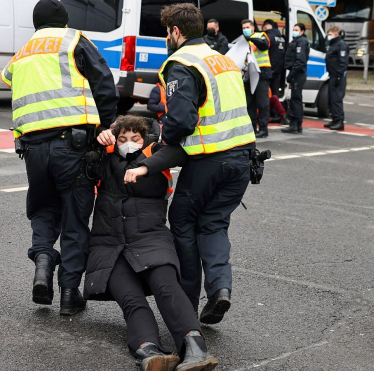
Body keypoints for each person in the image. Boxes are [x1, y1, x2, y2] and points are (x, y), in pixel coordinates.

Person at [124, 3, 255, 325]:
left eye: (167, 32)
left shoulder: (181, 62)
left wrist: (165, 140)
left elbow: (182, 118)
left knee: (182, 221)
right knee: (213, 224)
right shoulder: (222, 59)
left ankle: (185, 303)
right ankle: (220, 289)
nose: (167, 38)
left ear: (176, 32)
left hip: (210, 159)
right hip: (243, 158)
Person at [0, 0, 118, 316]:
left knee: (43, 209)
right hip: (73, 146)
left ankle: (42, 262)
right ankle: (69, 294)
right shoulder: (75, 40)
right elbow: (104, 83)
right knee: (75, 218)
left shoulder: (23, 52)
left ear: (37, 23)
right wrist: (105, 126)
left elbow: (9, 79)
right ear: (64, 21)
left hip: (33, 148)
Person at [84, 116, 218, 371]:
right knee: (132, 300)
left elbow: (178, 152)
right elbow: (82, 152)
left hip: (151, 239)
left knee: (167, 287)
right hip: (109, 246)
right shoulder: (102, 158)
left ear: (145, 138)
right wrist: (99, 135)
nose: (128, 144)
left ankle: (195, 349)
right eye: (122, 139)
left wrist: (144, 167)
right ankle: (149, 351)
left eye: (135, 138)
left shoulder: (158, 154)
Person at [242, 19, 271, 138]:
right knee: (250, 104)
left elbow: (264, 45)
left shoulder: (261, 35)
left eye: (247, 27)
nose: (245, 30)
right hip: (249, 74)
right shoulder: (242, 41)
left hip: (262, 73)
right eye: (243, 28)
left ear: (253, 28)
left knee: (262, 103)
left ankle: (263, 129)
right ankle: (252, 128)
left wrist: (251, 39)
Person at [282, 23, 310, 134]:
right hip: (296, 74)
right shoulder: (298, 41)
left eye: (296, 30)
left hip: (297, 74)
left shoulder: (301, 42)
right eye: (293, 29)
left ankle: (295, 125)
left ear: (302, 31)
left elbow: (300, 61)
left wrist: (291, 74)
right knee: (295, 99)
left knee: (296, 100)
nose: (294, 31)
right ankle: (295, 125)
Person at [323, 25, 349, 131]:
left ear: (336, 34)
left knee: (336, 99)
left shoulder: (341, 45)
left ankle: (339, 122)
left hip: (338, 76)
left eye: (329, 34)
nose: (328, 36)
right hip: (332, 75)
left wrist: (338, 76)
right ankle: (334, 119)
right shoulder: (333, 44)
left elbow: (343, 63)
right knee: (331, 99)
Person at [262, 19, 286, 99]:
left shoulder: (267, 37)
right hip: (278, 70)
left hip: (268, 70)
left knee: (265, 94)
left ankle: (267, 110)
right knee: (275, 94)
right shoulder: (282, 38)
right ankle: (276, 111)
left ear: (265, 27)